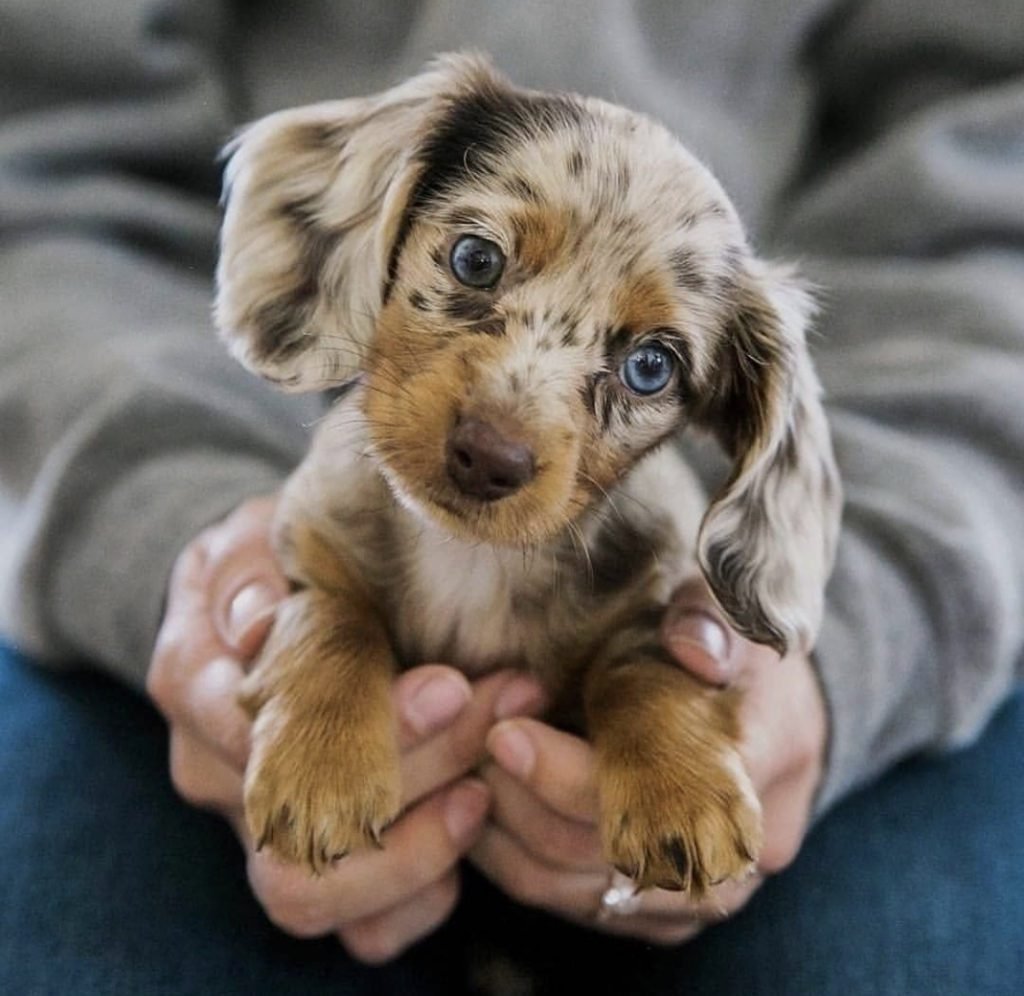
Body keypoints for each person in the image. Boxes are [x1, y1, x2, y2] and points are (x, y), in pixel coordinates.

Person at [1, 0, 1022, 993]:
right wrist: (209, 563)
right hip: (183, 430)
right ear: (387, 216)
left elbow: (989, 223)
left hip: (910, 461)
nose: (503, 432)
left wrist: (803, 660)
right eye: (476, 260)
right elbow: (45, 158)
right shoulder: (341, 491)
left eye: (650, 366)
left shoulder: (661, 536)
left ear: (731, 415)